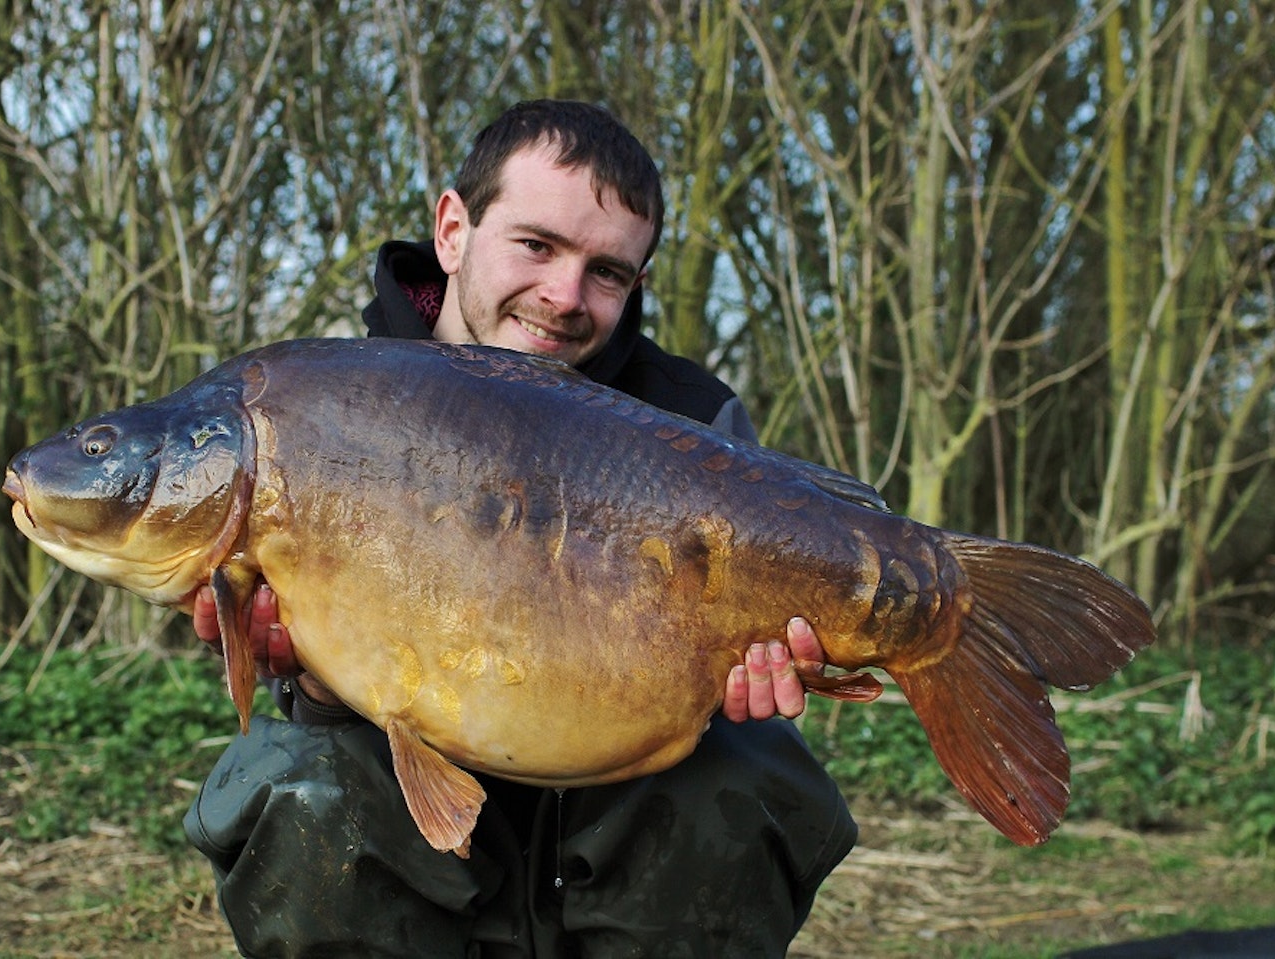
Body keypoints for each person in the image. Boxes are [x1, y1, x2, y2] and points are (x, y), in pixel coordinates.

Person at [186, 99, 856, 958]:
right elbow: (319, 674)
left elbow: (744, 666)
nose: (564, 296)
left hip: (618, 814)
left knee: (746, 770)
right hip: (418, 820)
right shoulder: (329, 404)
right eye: (536, 245)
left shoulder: (693, 424)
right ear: (453, 229)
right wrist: (310, 682)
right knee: (297, 785)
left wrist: (749, 690)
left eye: (608, 272)